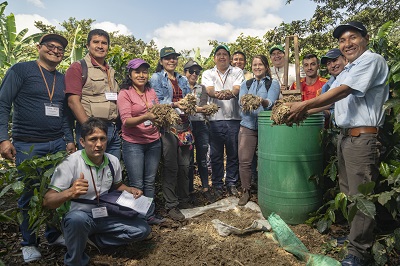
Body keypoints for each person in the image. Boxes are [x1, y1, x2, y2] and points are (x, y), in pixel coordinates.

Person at [287, 21, 389, 266]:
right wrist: (308, 112)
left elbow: (342, 92)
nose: (347, 44)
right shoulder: (348, 69)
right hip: (346, 137)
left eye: (352, 38)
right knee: (349, 193)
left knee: (361, 195)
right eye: (342, 40)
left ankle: (359, 252)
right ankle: (354, 238)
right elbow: (333, 103)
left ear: (365, 38)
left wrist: (304, 104)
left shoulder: (372, 60)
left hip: (363, 137)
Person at [0, 33, 75, 262]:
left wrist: (69, 139)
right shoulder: (20, 70)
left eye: (60, 48)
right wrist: (3, 139)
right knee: (28, 194)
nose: (55, 50)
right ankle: (29, 242)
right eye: (50, 46)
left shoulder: (62, 79)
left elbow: (63, 114)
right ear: (39, 47)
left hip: (57, 144)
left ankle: (52, 235)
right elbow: (2, 104)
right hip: (27, 145)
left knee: (57, 191)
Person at [43, 117, 150, 266]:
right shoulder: (70, 163)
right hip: (81, 216)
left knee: (142, 230)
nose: (98, 144)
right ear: (82, 142)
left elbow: (117, 186)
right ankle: (76, 261)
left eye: (102, 139)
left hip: (105, 214)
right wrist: (70, 192)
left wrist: (130, 190)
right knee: (76, 220)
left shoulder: (112, 161)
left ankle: (92, 241)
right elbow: (48, 201)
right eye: (93, 139)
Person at [117, 58, 164, 225]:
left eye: (144, 71)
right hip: (133, 143)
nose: (141, 75)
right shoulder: (125, 93)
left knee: (150, 181)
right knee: (137, 183)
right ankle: (137, 218)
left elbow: (158, 111)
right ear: (130, 74)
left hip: (153, 141)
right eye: (137, 72)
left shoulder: (151, 91)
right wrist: (145, 116)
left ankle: (149, 215)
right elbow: (126, 121)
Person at [150, 47, 192, 221]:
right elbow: (157, 101)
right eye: (167, 58)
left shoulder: (182, 78)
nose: (171, 61)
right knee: (171, 166)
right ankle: (171, 205)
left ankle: (184, 199)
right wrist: (176, 105)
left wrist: (194, 106)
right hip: (168, 126)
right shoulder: (156, 78)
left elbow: (189, 99)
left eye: (174, 58)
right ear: (161, 61)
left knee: (185, 166)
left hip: (184, 125)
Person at [65, 29, 121, 159]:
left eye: (104, 43)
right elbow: (73, 102)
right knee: (91, 173)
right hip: (91, 130)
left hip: (111, 130)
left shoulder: (110, 71)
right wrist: (90, 129)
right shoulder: (78, 67)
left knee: (112, 172)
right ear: (88, 45)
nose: (100, 46)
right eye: (96, 42)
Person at [201, 44, 244, 198]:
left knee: (233, 153)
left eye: (225, 54)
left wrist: (230, 93)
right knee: (216, 154)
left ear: (229, 57)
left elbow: (237, 89)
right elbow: (209, 90)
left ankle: (231, 182)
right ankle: (218, 184)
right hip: (215, 120)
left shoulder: (237, 71)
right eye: (218, 54)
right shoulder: (208, 73)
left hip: (234, 118)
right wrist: (220, 94)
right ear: (214, 58)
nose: (222, 56)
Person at [238, 55, 280, 205]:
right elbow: (241, 101)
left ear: (266, 67)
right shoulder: (246, 84)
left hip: (265, 127)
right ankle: (245, 190)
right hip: (247, 126)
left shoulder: (272, 84)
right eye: (254, 65)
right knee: (245, 161)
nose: (257, 67)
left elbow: (270, 103)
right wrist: (248, 101)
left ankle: (266, 189)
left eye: (260, 64)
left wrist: (260, 100)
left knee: (266, 159)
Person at [183, 59, 215, 203]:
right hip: (186, 126)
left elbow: (201, 105)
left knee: (202, 158)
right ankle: (189, 190)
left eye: (197, 72)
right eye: (191, 71)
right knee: (188, 160)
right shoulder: (180, 86)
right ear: (185, 72)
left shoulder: (202, 88)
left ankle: (205, 187)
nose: (194, 74)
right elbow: (186, 107)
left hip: (201, 125)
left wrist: (198, 109)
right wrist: (200, 109)